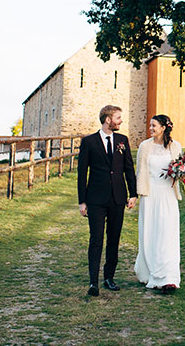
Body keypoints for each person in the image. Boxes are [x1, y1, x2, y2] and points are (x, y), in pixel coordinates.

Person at [78, 104, 137, 296]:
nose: (121, 121)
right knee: (96, 240)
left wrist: (132, 194)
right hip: (95, 199)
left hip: (117, 198)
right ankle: (93, 282)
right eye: (118, 118)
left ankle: (109, 278)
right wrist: (82, 201)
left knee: (114, 239)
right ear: (108, 119)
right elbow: (82, 174)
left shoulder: (122, 140)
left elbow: (129, 168)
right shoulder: (89, 142)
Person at [134, 114, 182, 292]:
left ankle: (168, 277)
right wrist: (137, 194)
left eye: (154, 125)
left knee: (167, 233)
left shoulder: (175, 146)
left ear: (163, 127)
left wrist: (180, 173)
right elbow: (140, 172)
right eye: (150, 126)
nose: (151, 128)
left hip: (168, 194)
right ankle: (150, 271)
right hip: (150, 194)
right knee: (150, 232)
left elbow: (179, 168)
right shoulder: (144, 146)